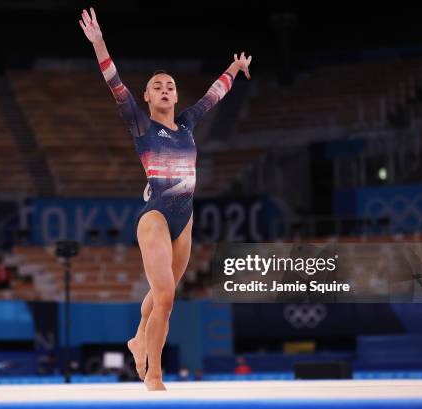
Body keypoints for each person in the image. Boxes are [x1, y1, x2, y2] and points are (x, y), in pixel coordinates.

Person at [79, 7, 251, 390]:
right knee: (167, 297)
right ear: (147, 95)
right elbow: (115, 84)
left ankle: (139, 336)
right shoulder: (142, 125)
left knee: (162, 294)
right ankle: (153, 374)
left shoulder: (187, 123)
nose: (164, 89)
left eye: (170, 85)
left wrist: (234, 69)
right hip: (155, 216)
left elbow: (212, 96)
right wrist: (99, 43)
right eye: (157, 85)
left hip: (185, 219)